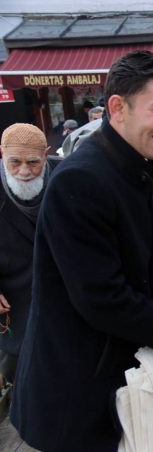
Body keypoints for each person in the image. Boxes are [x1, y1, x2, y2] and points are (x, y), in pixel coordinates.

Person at [10, 50, 153, 451]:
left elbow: (145, 270)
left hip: (110, 384)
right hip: (75, 397)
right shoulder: (83, 180)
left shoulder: (135, 167)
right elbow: (102, 298)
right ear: (118, 107)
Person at [0, 124, 60, 389]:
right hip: (15, 302)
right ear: (2, 154)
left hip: (64, 297)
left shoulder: (66, 175)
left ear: (46, 155)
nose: (24, 171)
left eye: (33, 162)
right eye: (14, 162)